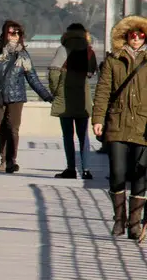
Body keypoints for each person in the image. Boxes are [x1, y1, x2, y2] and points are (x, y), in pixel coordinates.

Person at [93, 16, 147, 239]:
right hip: (116, 123)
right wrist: (98, 119)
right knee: (117, 173)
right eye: (132, 34)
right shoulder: (113, 60)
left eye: (140, 34)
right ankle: (119, 219)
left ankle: (134, 223)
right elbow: (103, 91)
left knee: (140, 175)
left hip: (143, 125)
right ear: (125, 36)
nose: (136, 38)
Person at [0, 20, 53, 173]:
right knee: (1, 129)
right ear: (5, 34)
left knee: (13, 128)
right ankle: (3, 160)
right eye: (12, 33)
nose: (15, 36)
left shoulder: (23, 55)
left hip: (16, 97)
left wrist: (46, 96)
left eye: (18, 33)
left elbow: (33, 78)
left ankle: (11, 161)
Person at [48, 23, 98, 180]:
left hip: (65, 98)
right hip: (83, 98)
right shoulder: (89, 51)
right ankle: (86, 169)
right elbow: (92, 74)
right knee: (84, 135)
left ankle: (71, 168)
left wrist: (56, 91)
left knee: (68, 135)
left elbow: (53, 74)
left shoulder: (63, 49)